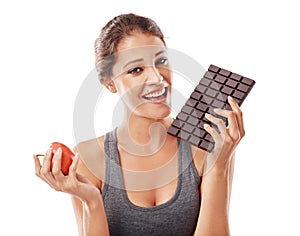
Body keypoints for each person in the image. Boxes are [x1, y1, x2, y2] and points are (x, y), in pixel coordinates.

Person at [34, 13, 245, 236]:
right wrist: (92, 201)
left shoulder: (208, 143)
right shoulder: (89, 157)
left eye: (161, 61)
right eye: (136, 70)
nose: (157, 78)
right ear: (110, 83)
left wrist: (219, 167)